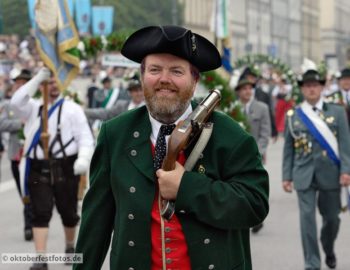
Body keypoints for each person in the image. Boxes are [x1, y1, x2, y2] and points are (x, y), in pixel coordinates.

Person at [74, 25, 269, 270]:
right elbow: (95, 224)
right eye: (155, 69)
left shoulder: (230, 135)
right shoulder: (115, 134)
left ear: (194, 79)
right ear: (143, 75)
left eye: (176, 71)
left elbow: (255, 205)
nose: (164, 79)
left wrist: (186, 187)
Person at [11, 68, 94, 270]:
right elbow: (15, 101)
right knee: (39, 212)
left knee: (68, 212)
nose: (53, 86)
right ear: (42, 86)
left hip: (65, 166)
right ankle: (40, 258)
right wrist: (39, 76)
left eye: (57, 82)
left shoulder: (72, 108)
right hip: (38, 167)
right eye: (49, 82)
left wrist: (83, 158)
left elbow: (85, 137)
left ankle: (69, 247)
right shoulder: (32, 107)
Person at [282, 69, 350, 270]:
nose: (311, 89)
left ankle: (328, 247)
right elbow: (288, 147)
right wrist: (286, 176)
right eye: (307, 86)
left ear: (321, 87)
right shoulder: (294, 114)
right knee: (307, 220)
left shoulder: (336, 112)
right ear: (302, 89)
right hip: (303, 174)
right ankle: (312, 263)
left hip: (331, 172)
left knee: (332, 220)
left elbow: (345, 145)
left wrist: (346, 170)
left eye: (315, 85)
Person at [235, 73, 271, 234]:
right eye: (244, 89)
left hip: (255, 154)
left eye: (250, 88)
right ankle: (242, 216)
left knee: (255, 187)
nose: (247, 91)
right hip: (235, 156)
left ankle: (257, 217)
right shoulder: (232, 108)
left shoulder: (262, 108)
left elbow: (265, 133)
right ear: (238, 92)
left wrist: (259, 151)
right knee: (238, 187)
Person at [0, 69, 33, 241]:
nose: (20, 85)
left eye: (23, 82)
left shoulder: (36, 102)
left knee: (34, 190)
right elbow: (2, 124)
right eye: (17, 82)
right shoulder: (8, 105)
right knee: (23, 192)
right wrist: (20, 124)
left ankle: (31, 225)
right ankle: (31, 221)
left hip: (34, 154)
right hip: (16, 155)